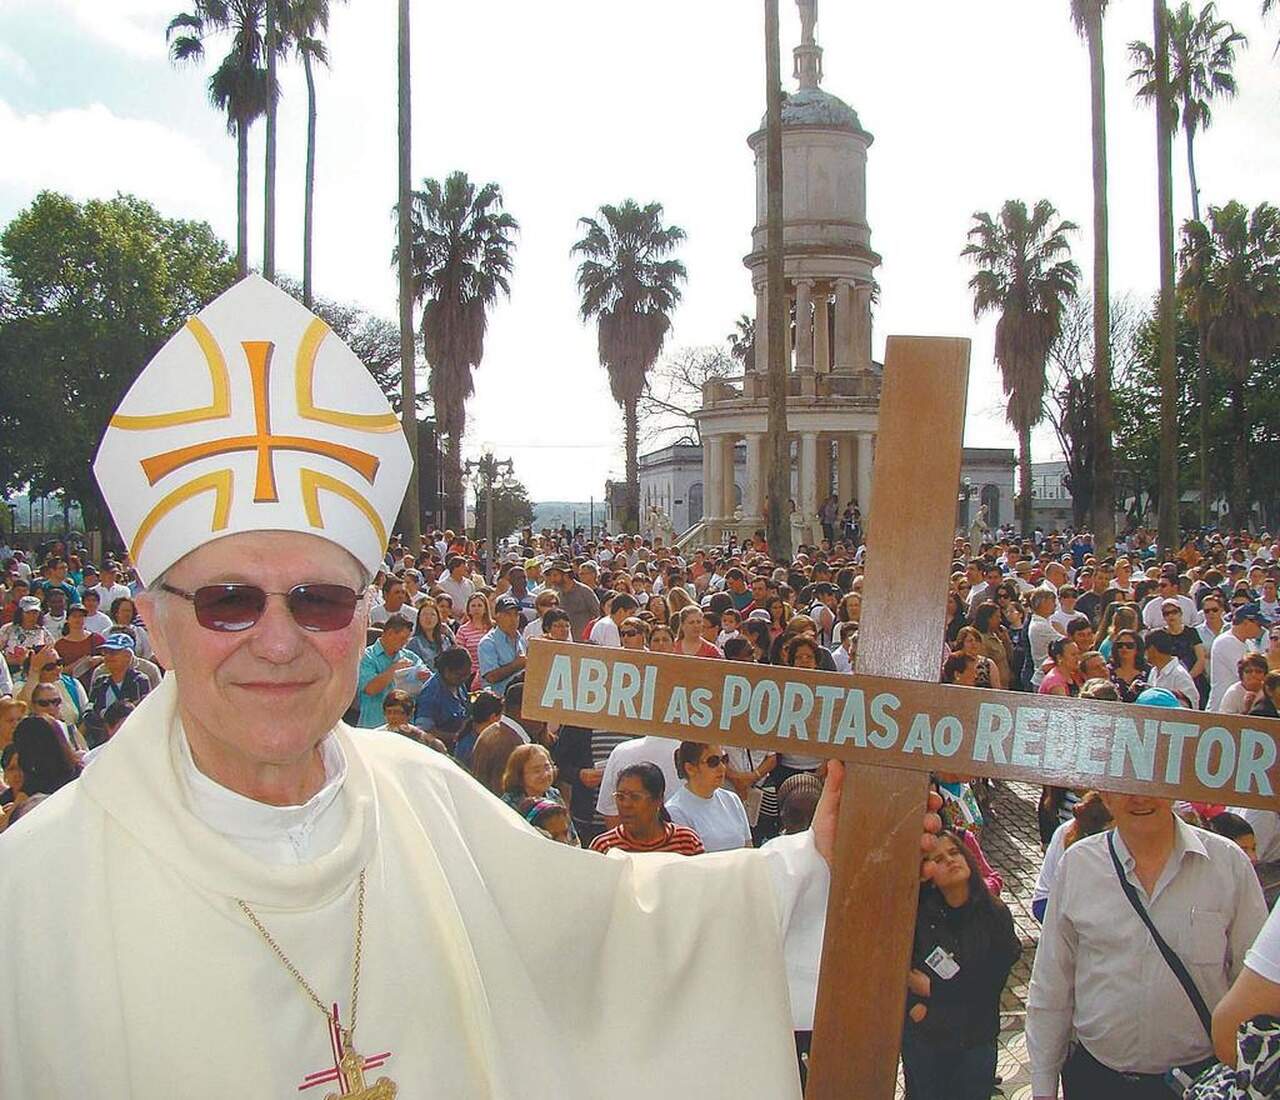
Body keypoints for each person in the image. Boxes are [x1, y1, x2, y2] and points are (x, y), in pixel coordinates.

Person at [0, 275, 940, 1100]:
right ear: (156, 617)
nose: (278, 643)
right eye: (228, 601)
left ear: (363, 618)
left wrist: (817, 863)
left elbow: (613, 947)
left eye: (320, 599)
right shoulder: (31, 905)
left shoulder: (424, 796)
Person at [1027, 789, 1267, 1099]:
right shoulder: (1078, 865)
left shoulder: (1228, 864)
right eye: (1124, 786)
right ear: (1105, 795)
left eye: (1151, 784)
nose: (1140, 798)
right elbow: (1051, 986)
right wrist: (1043, 1088)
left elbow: (1255, 986)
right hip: (1097, 1080)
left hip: (1198, 1083)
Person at [901, 831, 1021, 1100]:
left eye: (954, 853)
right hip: (927, 1038)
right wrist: (914, 1008)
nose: (950, 861)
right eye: (938, 859)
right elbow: (900, 972)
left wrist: (934, 989)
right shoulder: (917, 914)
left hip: (975, 1039)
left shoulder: (995, 914)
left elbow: (989, 983)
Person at [590, 763, 705, 855]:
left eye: (635, 797)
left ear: (658, 800)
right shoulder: (604, 847)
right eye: (620, 797)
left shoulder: (687, 842)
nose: (626, 804)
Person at [664, 741, 752, 853]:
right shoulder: (675, 811)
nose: (722, 768)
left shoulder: (732, 799)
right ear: (690, 768)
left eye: (724, 759)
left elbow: (748, 848)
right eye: (713, 762)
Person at [354, 613, 427, 728]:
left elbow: (428, 678)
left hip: (403, 730)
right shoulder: (367, 657)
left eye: (407, 639)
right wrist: (393, 669)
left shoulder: (410, 656)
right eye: (403, 638)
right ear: (390, 633)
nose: (405, 643)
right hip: (373, 727)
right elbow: (370, 689)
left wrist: (423, 676)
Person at [412, 645, 473, 752]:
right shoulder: (431, 694)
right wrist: (456, 736)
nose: (464, 678)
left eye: (467, 674)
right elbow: (425, 730)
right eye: (459, 675)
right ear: (446, 671)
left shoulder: (458, 684)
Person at [1208, 604, 1267, 711]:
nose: (1261, 629)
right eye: (1259, 625)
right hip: (1221, 710)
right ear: (1246, 623)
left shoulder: (1249, 643)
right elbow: (1251, 678)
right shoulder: (1225, 642)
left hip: (1244, 707)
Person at [476, 594, 527, 698]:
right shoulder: (488, 642)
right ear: (497, 616)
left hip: (522, 698)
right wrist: (517, 664)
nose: (513, 619)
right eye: (508, 614)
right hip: (499, 700)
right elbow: (491, 677)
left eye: (516, 614)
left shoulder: (521, 639)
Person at [376, 689, 447, 754]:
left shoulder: (418, 735)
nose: (392, 716)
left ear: (409, 714)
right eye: (389, 712)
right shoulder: (377, 734)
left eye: (397, 712)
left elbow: (440, 748)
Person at [404, 600, 454, 674]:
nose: (428, 617)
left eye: (432, 614)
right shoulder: (413, 643)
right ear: (419, 618)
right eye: (424, 614)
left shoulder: (445, 640)